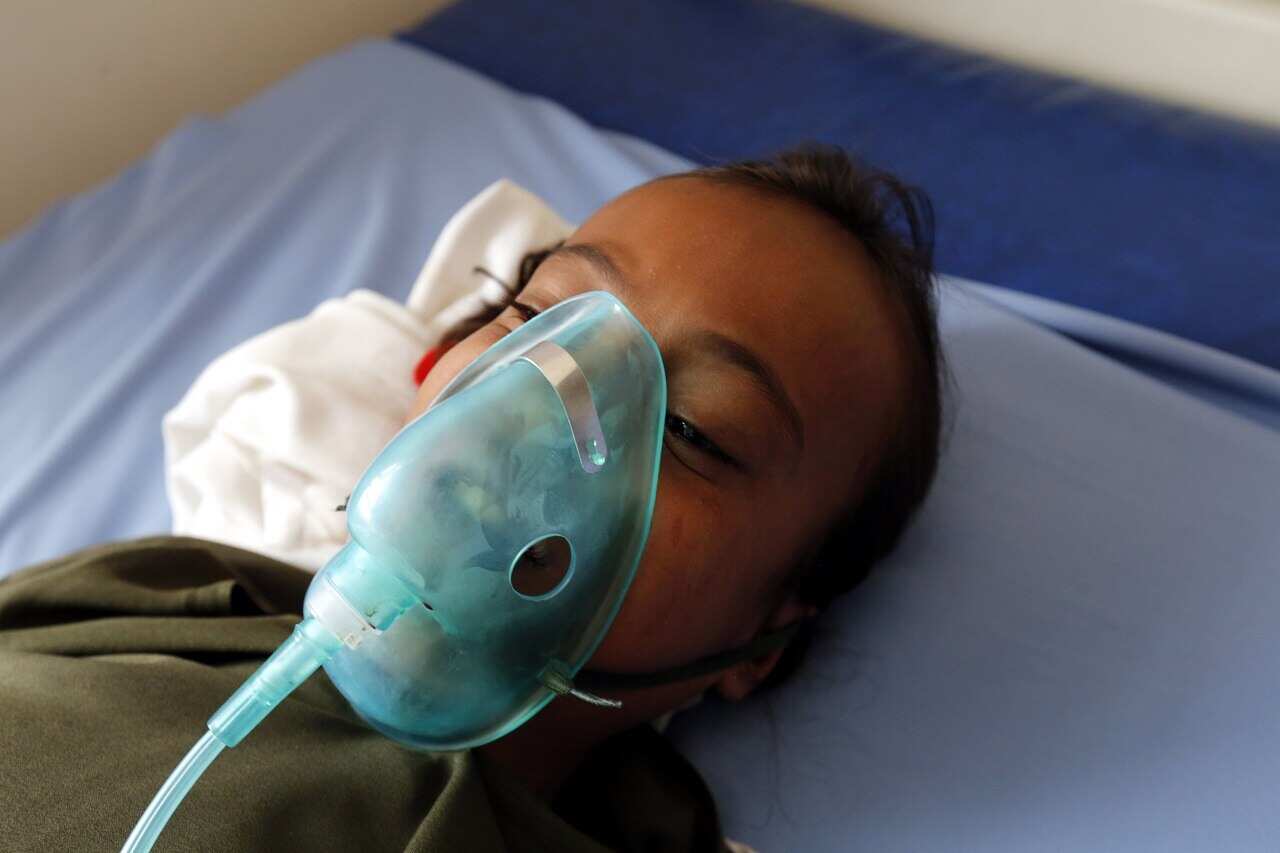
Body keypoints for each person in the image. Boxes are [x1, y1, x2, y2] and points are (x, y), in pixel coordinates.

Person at [0, 145, 944, 852]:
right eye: (535, 316)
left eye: (690, 428)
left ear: (764, 640)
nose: (534, 412)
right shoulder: (169, 590)